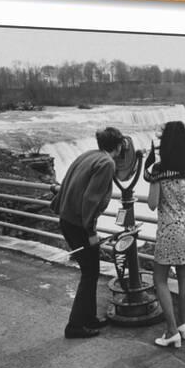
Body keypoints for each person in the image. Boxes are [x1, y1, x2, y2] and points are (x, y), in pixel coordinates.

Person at [51, 127, 124, 338]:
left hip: (68, 220)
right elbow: (90, 200)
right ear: (119, 146)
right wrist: (91, 231)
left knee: (91, 271)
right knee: (90, 273)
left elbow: (68, 182)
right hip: (79, 225)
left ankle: (89, 318)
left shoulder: (89, 155)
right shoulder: (107, 163)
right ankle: (74, 326)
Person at [145, 121, 185, 348]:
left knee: (159, 279)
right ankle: (182, 325)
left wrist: (154, 180)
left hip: (169, 231)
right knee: (184, 276)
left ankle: (170, 331)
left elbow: (151, 204)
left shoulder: (160, 170)